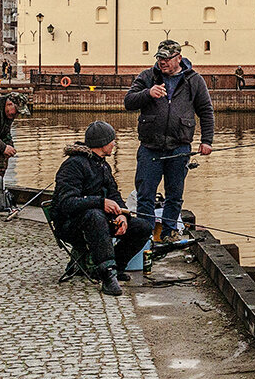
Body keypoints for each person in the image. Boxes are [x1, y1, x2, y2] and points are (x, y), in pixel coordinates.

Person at [49, 120, 154, 296]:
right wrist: (100, 202)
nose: (114, 143)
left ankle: (117, 266)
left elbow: (114, 194)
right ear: (103, 143)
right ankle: (107, 275)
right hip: (71, 224)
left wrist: (122, 215)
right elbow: (67, 203)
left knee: (143, 227)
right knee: (94, 216)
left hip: (100, 221)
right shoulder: (73, 165)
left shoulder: (103, 165)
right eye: (112, 140)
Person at [124, 40, 214, 242]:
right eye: (159, 58)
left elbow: (206, 111)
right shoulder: (147, 77)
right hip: (150, 147)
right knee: (145, 193)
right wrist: (148, 93)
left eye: (166, 58)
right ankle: (144, 237)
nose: (162, 62)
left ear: (179, 58)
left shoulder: (194, 80)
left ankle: (168, 233)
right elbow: (128, 101)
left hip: (179, 146)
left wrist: (207, 140)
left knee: (174, 194)